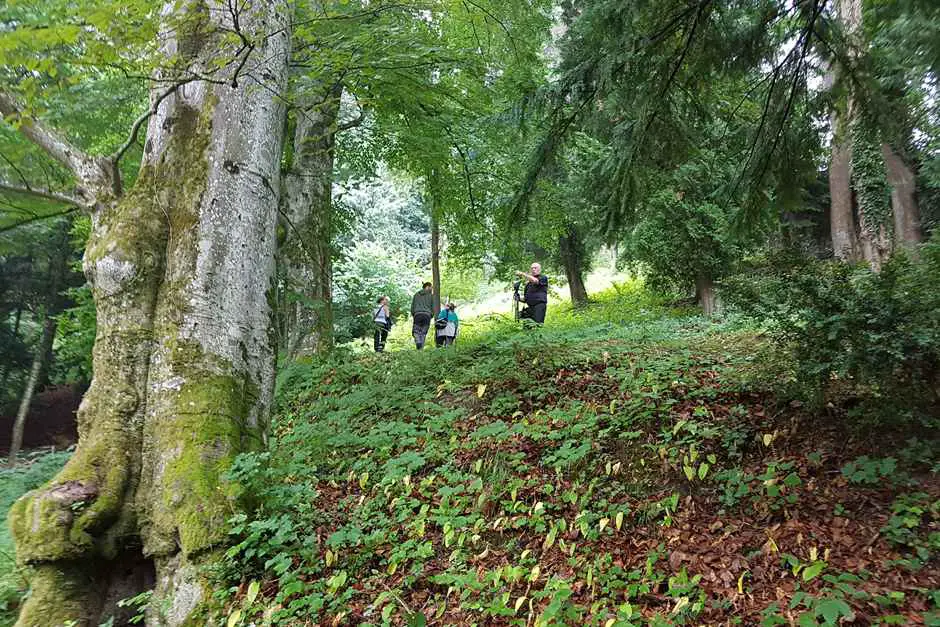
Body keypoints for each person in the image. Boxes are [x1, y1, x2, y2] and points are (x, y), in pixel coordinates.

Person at [410, 282, 434, 349]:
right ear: (427, 287)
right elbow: (433, 307)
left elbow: (412, 306)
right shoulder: (431, 296)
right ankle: (421, 349)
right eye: (431, 287)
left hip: (417, 315)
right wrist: (431, 315)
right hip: (427, 315)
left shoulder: (416, 295)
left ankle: (418, 342)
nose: (432, 288)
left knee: (416, 331)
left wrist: (413, 314)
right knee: (423, 332)